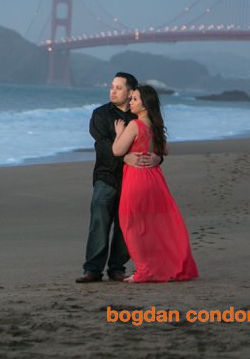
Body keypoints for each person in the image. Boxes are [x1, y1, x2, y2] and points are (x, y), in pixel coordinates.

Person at [76, 72, 161, 283]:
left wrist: (158, 159)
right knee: (99, 221)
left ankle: (116, 267)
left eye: (119, 87)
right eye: (112, 86)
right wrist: (126, 158)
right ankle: (93, 269)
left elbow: (153, 142)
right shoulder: (100, 114)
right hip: (106, 175)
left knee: (126, 225)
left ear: (131, 92)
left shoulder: (138, 115)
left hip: (134, 178)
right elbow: (103, 145)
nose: (112, 91)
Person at [112, 84, 198, 283]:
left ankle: (144, 270)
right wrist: (156, 156)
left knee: (132, 225)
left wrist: (119, 132)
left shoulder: (134, 125)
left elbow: (117, 150)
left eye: (134, 99)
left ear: (145, 104)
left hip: (136, 178)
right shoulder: (155, 126)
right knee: (154, 225)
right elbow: (165, 150)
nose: (130, 102)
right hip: (154, 178)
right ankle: (157, 266)